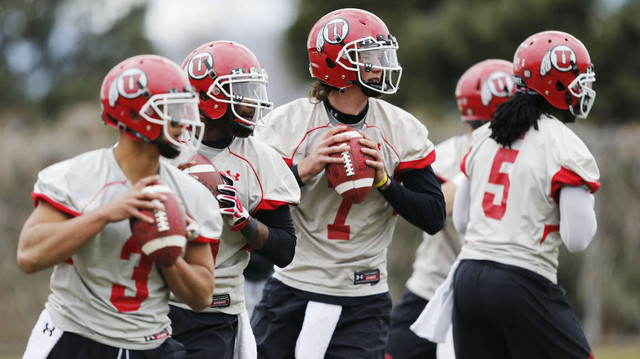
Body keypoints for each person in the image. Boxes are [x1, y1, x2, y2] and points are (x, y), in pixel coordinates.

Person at [252, 8, 446, 358]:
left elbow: (433, 217)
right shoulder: (289, 123)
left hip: (364, 295)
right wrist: (303, 170)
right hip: (295, 286)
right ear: (337, 65)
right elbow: (255, 204)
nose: (382, 65)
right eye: (370, 58)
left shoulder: (399, 128)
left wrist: (385, 181)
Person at [17, 54, 223, 359]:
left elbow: (202, 296)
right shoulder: (78, 177)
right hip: (74, 338)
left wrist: (168, 257)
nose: (185, 122)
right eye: (173, 111)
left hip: (150, 346)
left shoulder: (192, 194)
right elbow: (29, 256)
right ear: (137, 115)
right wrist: (104, 214)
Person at [412, 30, 600, 359]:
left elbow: (462, 220)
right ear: (556, 83)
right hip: (522, 280)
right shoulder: (566, 146)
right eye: (578, 78)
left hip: (468, 277)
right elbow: (578, 239)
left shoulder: (486, 134)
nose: (584, 87)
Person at [168, 40, 300, 359]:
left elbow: (285, 249)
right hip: (156, 303)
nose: (253, 103)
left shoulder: (261, 158)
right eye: (242, 93)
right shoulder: (167, 145)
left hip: (215, 313)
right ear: (209, 98)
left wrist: (245, 222)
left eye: (255, 91)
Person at [386, 59, 515, 359]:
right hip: (434, 285)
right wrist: (473, 170)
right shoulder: (449, 154)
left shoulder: (528, 153)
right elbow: (437, 207)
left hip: (496, 291)